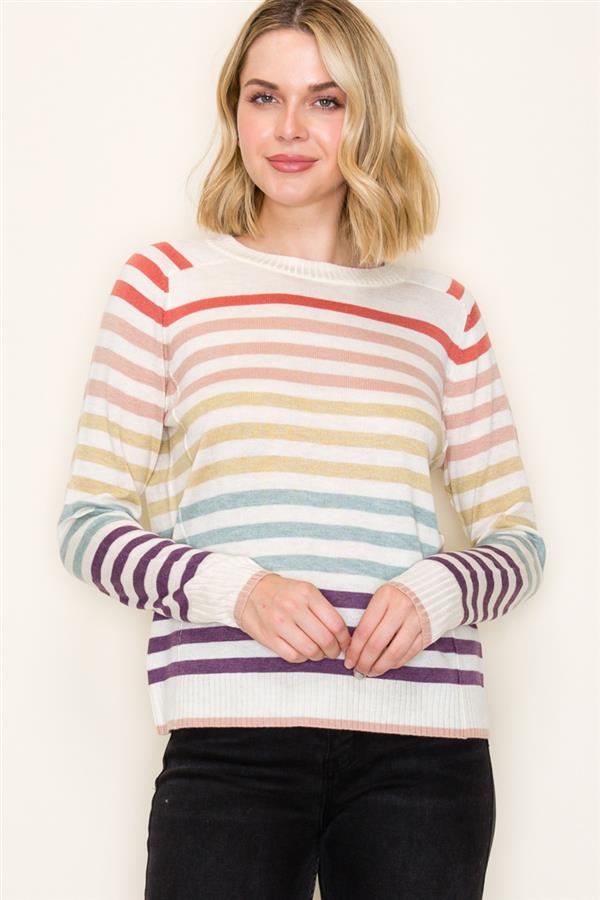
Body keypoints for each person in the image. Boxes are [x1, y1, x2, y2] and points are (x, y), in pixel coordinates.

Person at [56, 1, 546, 897]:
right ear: (234, 111)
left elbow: (518, 541)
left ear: (369, 115)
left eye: (326, 100)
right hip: (229, 752)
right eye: (263, 97)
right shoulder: (165, 287)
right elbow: (88, 526)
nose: (288, 128)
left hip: (422, 760)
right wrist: (238, 591)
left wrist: (439, 590)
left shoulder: (442, 312)